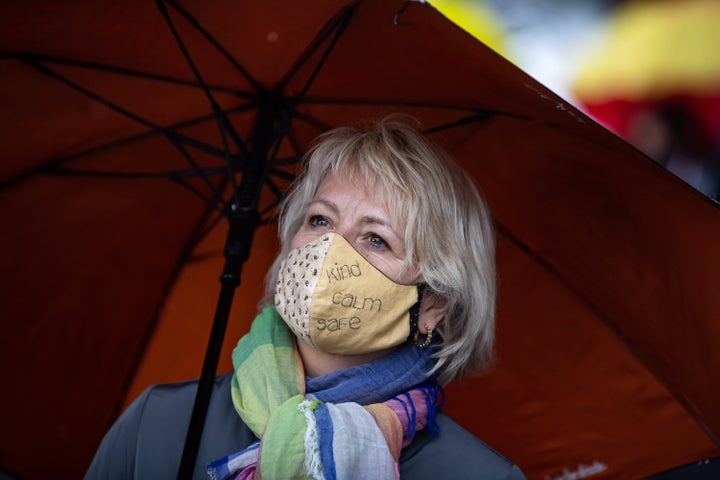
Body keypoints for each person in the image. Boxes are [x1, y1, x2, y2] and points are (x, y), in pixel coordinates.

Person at [85, 116, 526, 479]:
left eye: (375, 238)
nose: (330, 251)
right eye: (320, 220)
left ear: (433, 305)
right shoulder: (160, 424)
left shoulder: (477, 474)